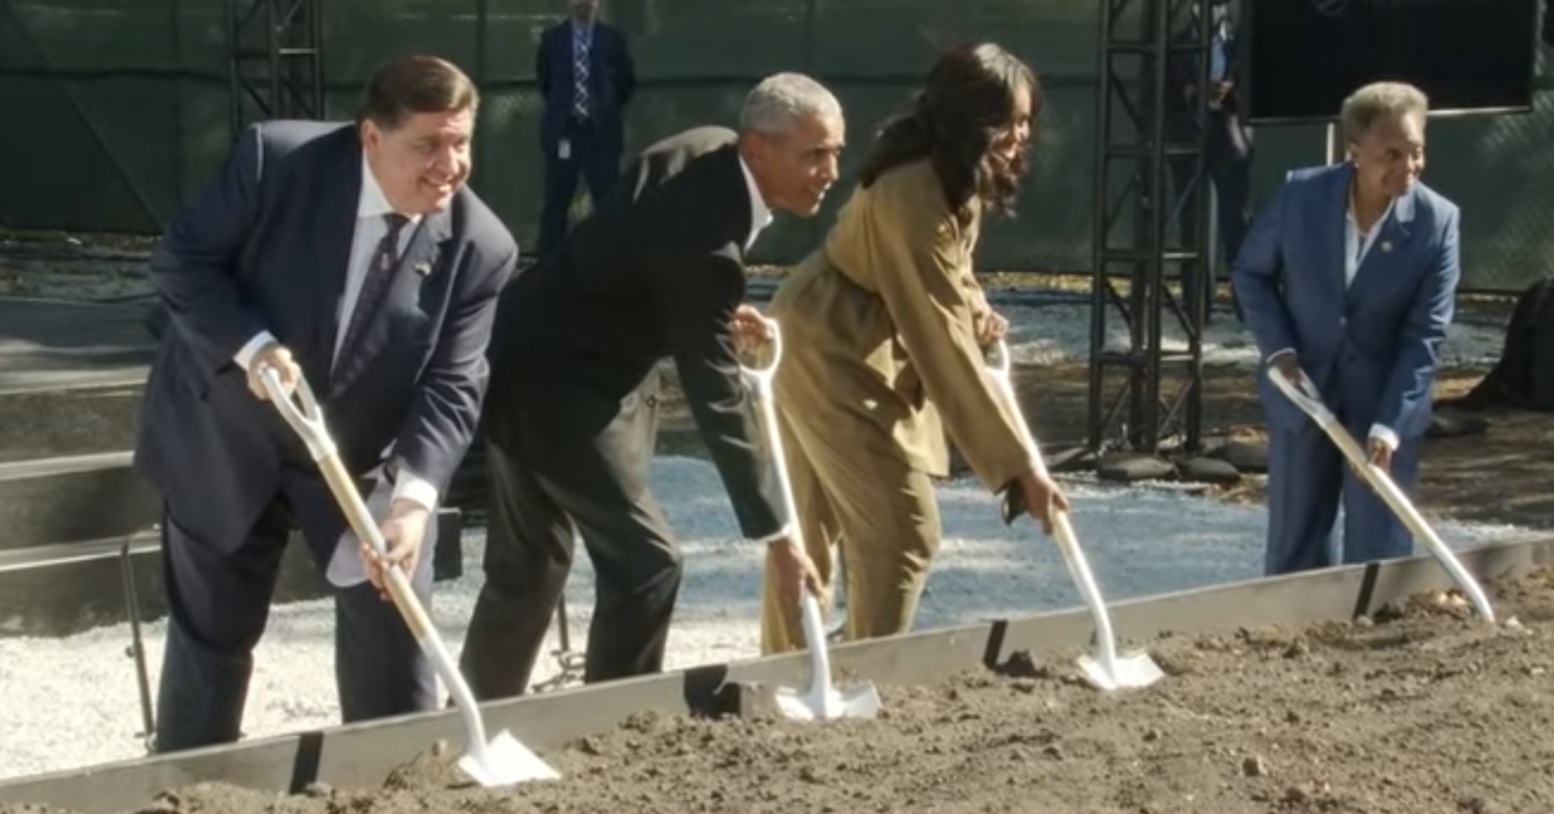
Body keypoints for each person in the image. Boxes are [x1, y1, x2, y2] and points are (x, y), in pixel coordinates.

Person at [134, 55, 517, 751]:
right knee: (211, 644)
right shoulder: (277, 161)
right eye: (427, 144)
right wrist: (251, 346)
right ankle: (187, 784)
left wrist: (413, 500)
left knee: (395, 634)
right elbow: (180, 263)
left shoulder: (480, 247)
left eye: (462, 141)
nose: (450, 164)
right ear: (372, 137)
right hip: (223, 432)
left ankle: (396, 780)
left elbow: (454, 383)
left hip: (355, 459)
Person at [460, 73, 846, 698]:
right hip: (561, 386)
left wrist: (707, 311)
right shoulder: (707, 236)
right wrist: (776, 533)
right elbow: (716, 392)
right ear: (757, 148)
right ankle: (615, 727)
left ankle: (469, 719)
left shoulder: (708, 149)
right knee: (648, 562)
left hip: (525, 352)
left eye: (835, 152)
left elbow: (642, 241)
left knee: (530, 566)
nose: (830, 170)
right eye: (814, 154)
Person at [755, 43, 1071, 656]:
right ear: (969, 116)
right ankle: (862, 674)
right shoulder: (911, 189)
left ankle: (797, 676)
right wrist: (1018, 466)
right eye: (1008, 120)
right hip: (826, 347)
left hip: (844, 339)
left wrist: (977, 308)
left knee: (818, 525)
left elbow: (949, 279)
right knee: (901, 531)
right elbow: (939, 335)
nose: (1020, 135)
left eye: (1027, 121)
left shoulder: (954, 178)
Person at [1234, 80, 1460, 576]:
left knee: (1378, 552)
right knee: (1295, 550)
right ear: (1355, 150)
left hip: (1384, 405)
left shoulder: (1437, 223)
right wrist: (1280, 353)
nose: (1408, 168)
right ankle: (1290, 638)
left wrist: (1389, 425)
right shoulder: (1301, 196)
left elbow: (1425, 334)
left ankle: (1369, 644)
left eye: (1417, 152)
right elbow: (1250, 273)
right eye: (1391, 154)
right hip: (1303, 395)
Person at [1166, 0, 1253, 324]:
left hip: (1230, 138)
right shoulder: (1176, 43)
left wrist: (1230, 92)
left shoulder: (1241, 41)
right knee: (1192, 225)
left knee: (1237, 224)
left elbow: (1256, 85)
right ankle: (1196, 308)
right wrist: (1197, 93)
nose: (1213, 11)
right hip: (1189, 138)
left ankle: (1247, 305)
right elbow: (1164, 92)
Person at [535, 0, 637, 259]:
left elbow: (626, 83)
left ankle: (612, 259)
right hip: (565, 131)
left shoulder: (612, 39)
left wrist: (602, 108)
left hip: (600, 133)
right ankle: (547, 264)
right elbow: (546, 82)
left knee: (608, 200)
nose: (584, 4)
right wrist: (565, 112)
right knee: (556, 200)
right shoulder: (552, 39)